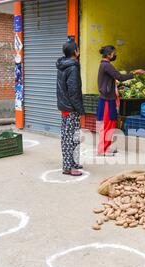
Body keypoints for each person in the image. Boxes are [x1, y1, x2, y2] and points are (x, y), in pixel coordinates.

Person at [97, 45, 145, 156]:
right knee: (107, 125)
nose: (115, 55)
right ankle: (102, 150)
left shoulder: (105, 65)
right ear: (109, 55)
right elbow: (120, 77)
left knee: (111, 124)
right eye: (114, 53)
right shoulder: (106, 66)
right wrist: (135, 72)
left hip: (109, 99)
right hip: (106, 100)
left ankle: (106, 148)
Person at [56, 40, 85, 176]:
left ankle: (72, 162)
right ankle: (68, 167)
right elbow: (73, 91)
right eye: (78, 49)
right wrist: (80, 109)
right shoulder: (72, 67)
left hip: (65, 106)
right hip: (71, 108)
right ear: (75, 52)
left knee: (70, 137)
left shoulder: (63, 65)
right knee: (70, 138)